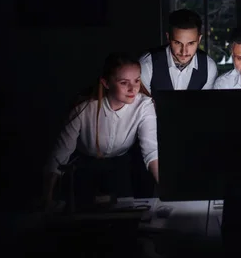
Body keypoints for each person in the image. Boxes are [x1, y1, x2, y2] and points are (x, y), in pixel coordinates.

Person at [43, 52, 159, 209]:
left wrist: (168, 192)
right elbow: (60, 153)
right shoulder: (84, 107)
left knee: (124, 215)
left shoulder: (144, 105)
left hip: (120, 166)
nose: (133, 89)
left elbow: (151, 150)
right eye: (124, 83)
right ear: (106, 83)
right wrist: (47, 198)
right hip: (84, 167)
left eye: (137, 81)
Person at [139, 9, 218, 98]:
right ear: (168, 38)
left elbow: (205, 105)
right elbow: (142, 106)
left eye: (191, 43)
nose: (184, 51)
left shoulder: (209, 67)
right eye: (177, 43)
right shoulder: (147, 64)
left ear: (199, 39)